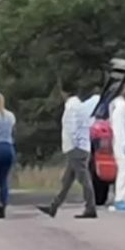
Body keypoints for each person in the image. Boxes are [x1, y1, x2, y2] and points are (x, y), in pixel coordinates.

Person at [37, 81, 97, 219]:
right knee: (67, 180)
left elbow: (72, 128)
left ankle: (90, 207)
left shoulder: (71, 108)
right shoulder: (80, 106)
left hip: (76, 148)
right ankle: (53, 207)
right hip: (80, 147)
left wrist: (74, 144)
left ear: (64, 93)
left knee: (84, 179)